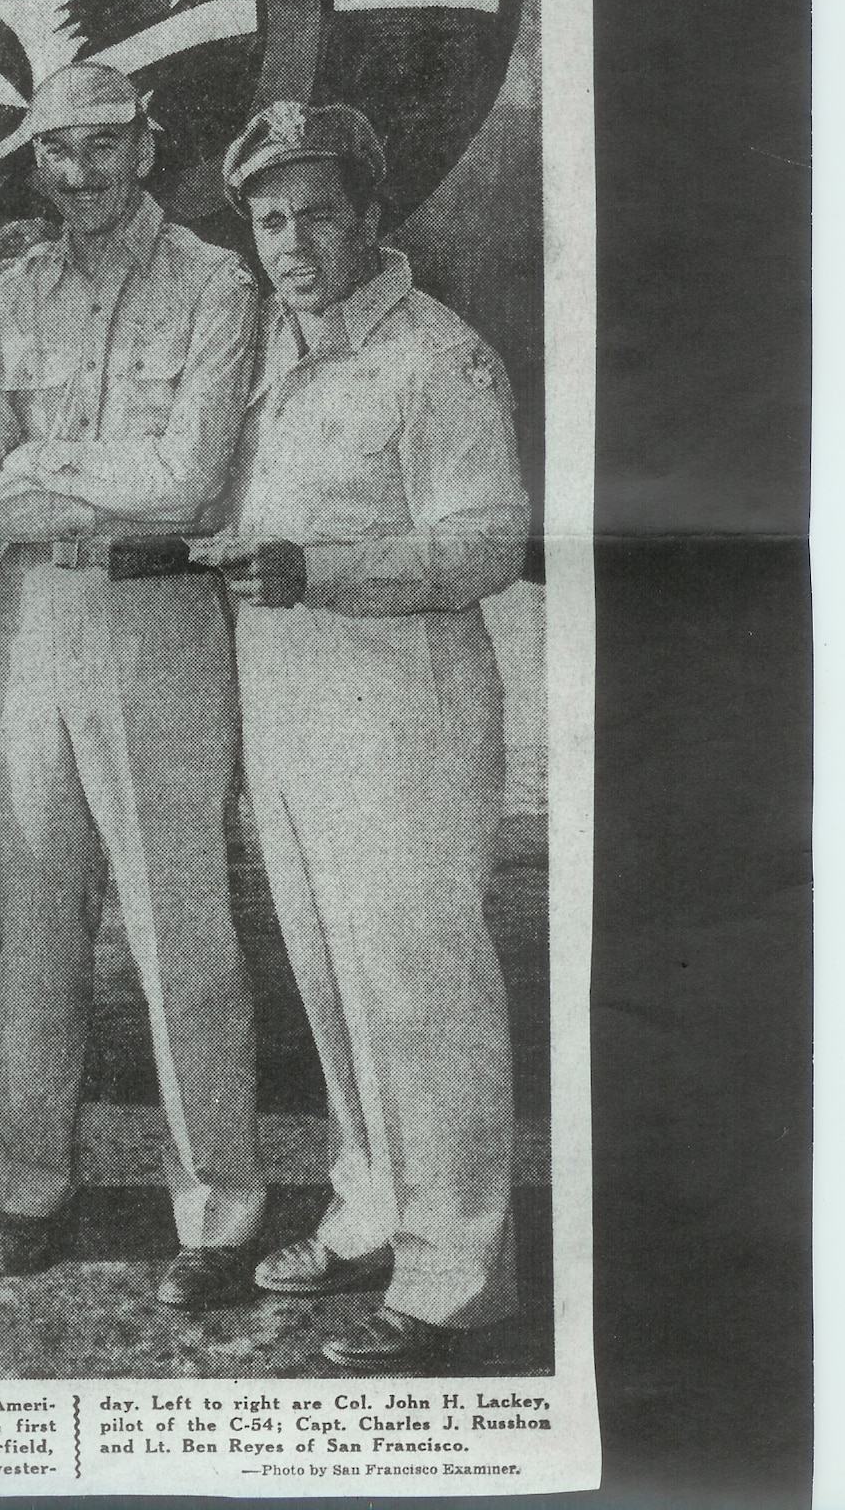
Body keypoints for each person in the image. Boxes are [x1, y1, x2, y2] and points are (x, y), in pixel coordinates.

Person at [200, 100, 531, 1369]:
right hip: (293, 711)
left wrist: (318, 568)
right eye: (269, 219)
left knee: (421, 991)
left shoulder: (435, 359)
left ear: (373, 220)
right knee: (334, 987)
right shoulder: (280, 354)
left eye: (317, 213)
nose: (291, 240)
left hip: (404, 712)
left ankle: (455, 1274)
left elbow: (484, 541)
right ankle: (370, 1207)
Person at [0, 61, 267, 1308]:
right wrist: (87, 466)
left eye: (103, 144)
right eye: (57, 151)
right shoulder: (4, 296)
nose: (81, 170)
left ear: (148, 143)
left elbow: (189, 483)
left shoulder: (213, 282)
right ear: (35, 164)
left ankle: (219, 1210)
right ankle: (29, 1189)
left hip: (156, 612)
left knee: (180, 926)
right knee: (31, 926)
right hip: (27, 620)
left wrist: (41, 459)